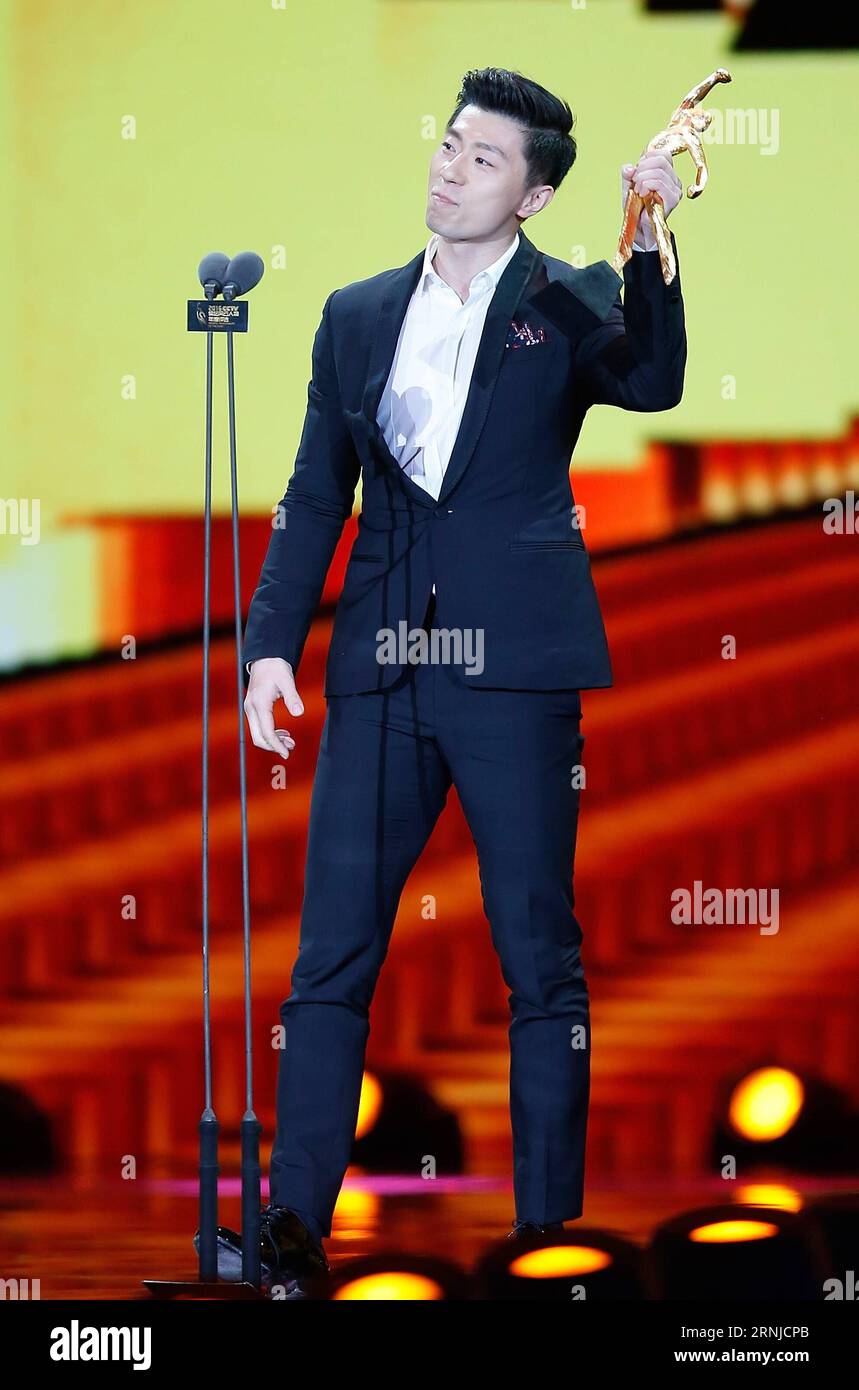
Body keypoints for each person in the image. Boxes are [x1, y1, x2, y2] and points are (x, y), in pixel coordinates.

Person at [200, 66, 686, 1296]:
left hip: (513, 671)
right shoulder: (355, 313)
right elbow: (317, 496)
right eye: (448, 145)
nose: (450, 168)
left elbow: (655, 379)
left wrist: (650, 236)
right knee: (329, 957)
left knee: (539, 957)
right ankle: (290, 1230)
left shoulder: (569, 305)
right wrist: (268, 648)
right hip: (380, 666)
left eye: (481, 159)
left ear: (529, 194)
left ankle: (547, 1242)